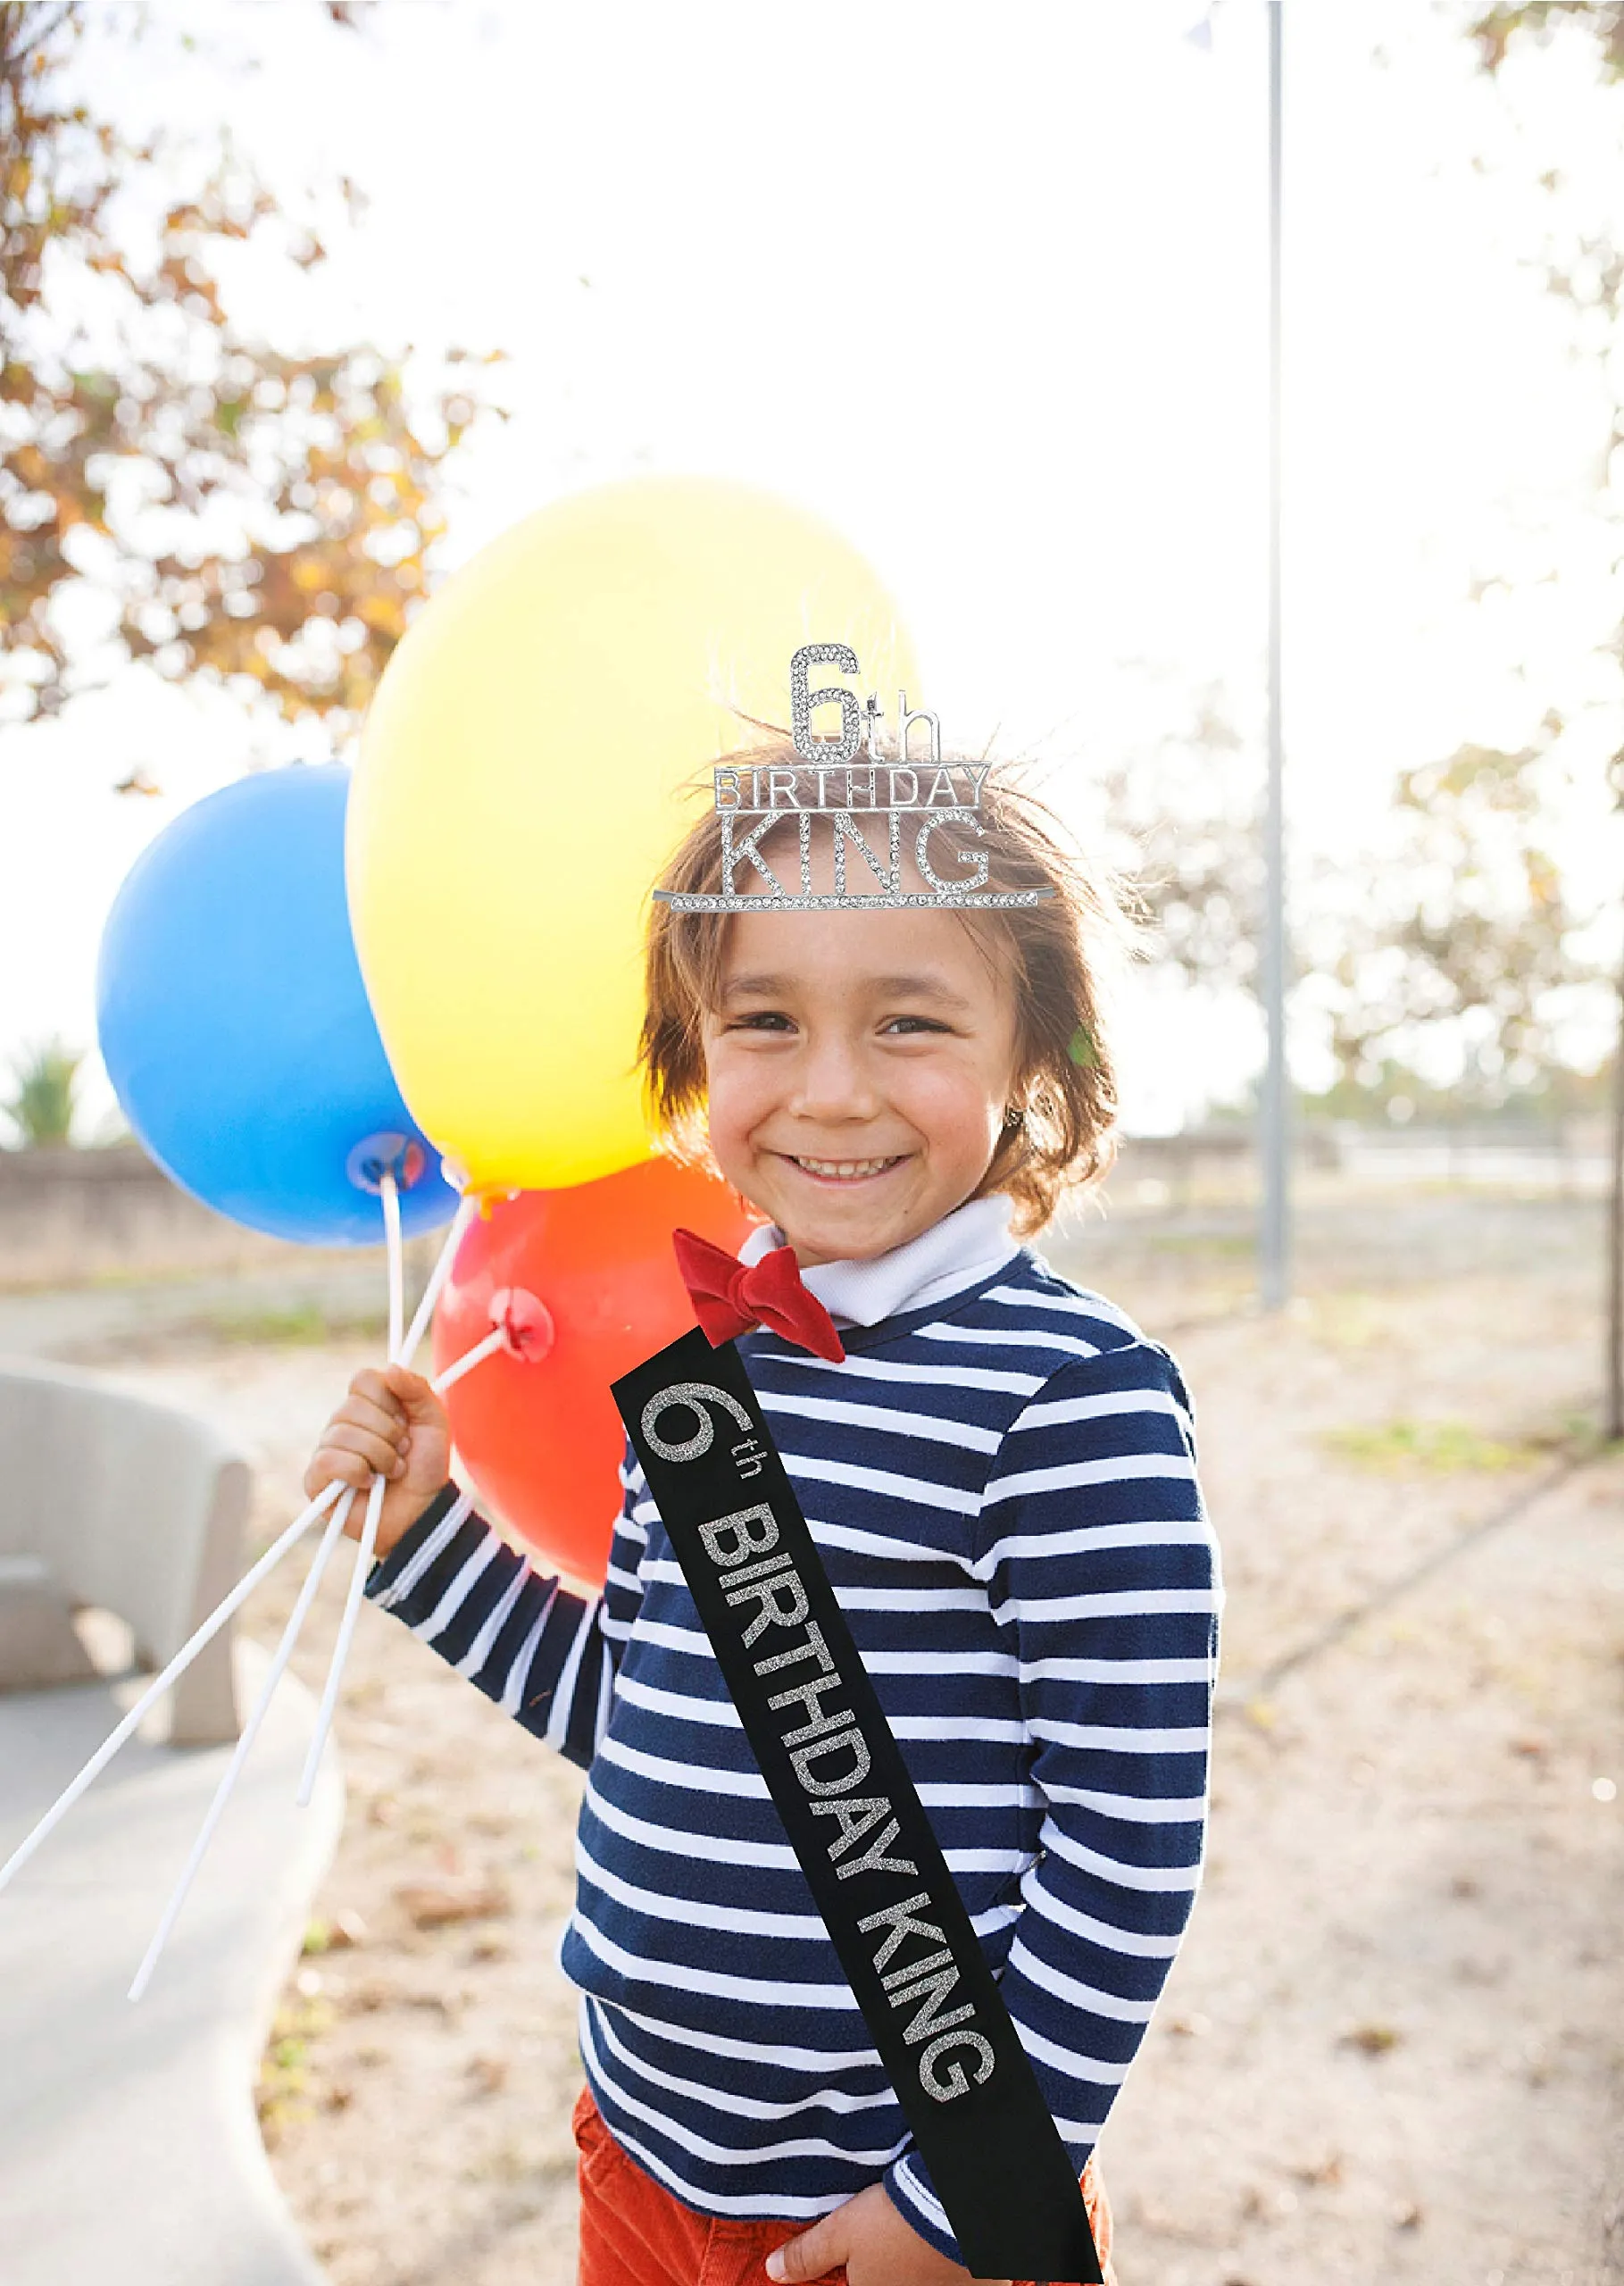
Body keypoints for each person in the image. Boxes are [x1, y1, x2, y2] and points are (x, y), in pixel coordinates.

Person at [305, 747, 1221, 2286]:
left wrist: (967, 2197)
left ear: (1036, 1055)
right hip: (641, 2151)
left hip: (894, 2215)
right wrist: (426, 1537)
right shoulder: (710, 1360)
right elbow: (647, 1701)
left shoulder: (1074, 1397)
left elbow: (1123, 1857)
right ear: (691, 1058)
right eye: (766, 1022)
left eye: (911, 1022)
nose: (833, 1089)